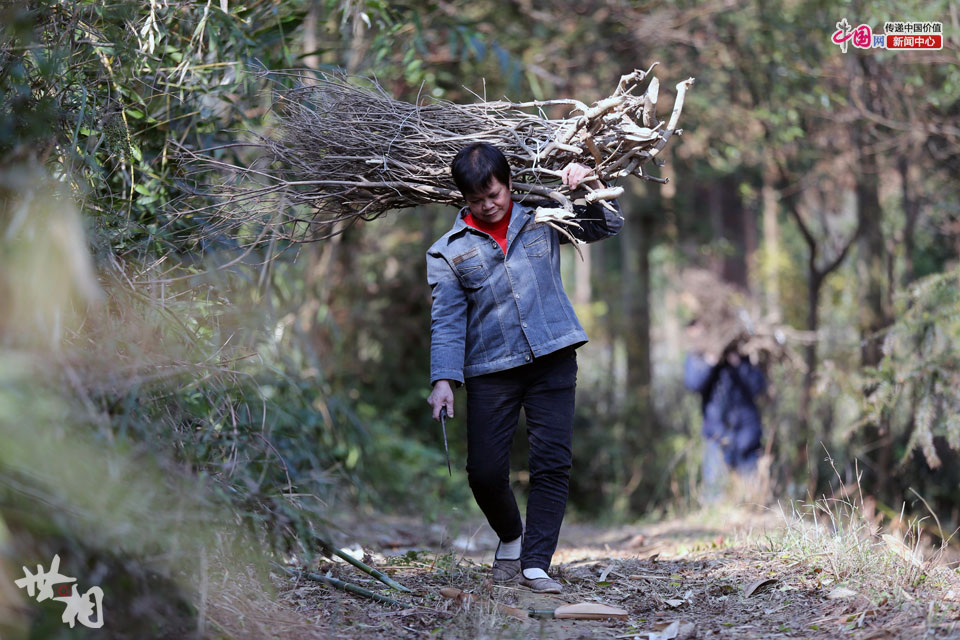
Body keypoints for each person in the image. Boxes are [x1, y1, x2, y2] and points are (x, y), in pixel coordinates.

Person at [425, 142, 623, 593]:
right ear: (464, 199)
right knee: (485, 472)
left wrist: (588, 184)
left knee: (552, 463)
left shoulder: (544, 214)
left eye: (494, 194)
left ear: (509, 184)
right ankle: (511, 536)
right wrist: (443, 382)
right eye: (477, 200)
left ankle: (536, 562)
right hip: (490, 367)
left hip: (553, 354)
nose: (488, 205)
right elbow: (448, 321)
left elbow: (607, 224)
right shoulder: (448, 252)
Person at [683, 327, 766, 499]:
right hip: (716, 436)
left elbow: (759, 387)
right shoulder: (699, 356)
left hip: (747, 436)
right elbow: (693, 383)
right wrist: (710, 361)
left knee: (753, 498)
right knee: (714, 494)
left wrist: (738, 363)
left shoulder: (746, 355)